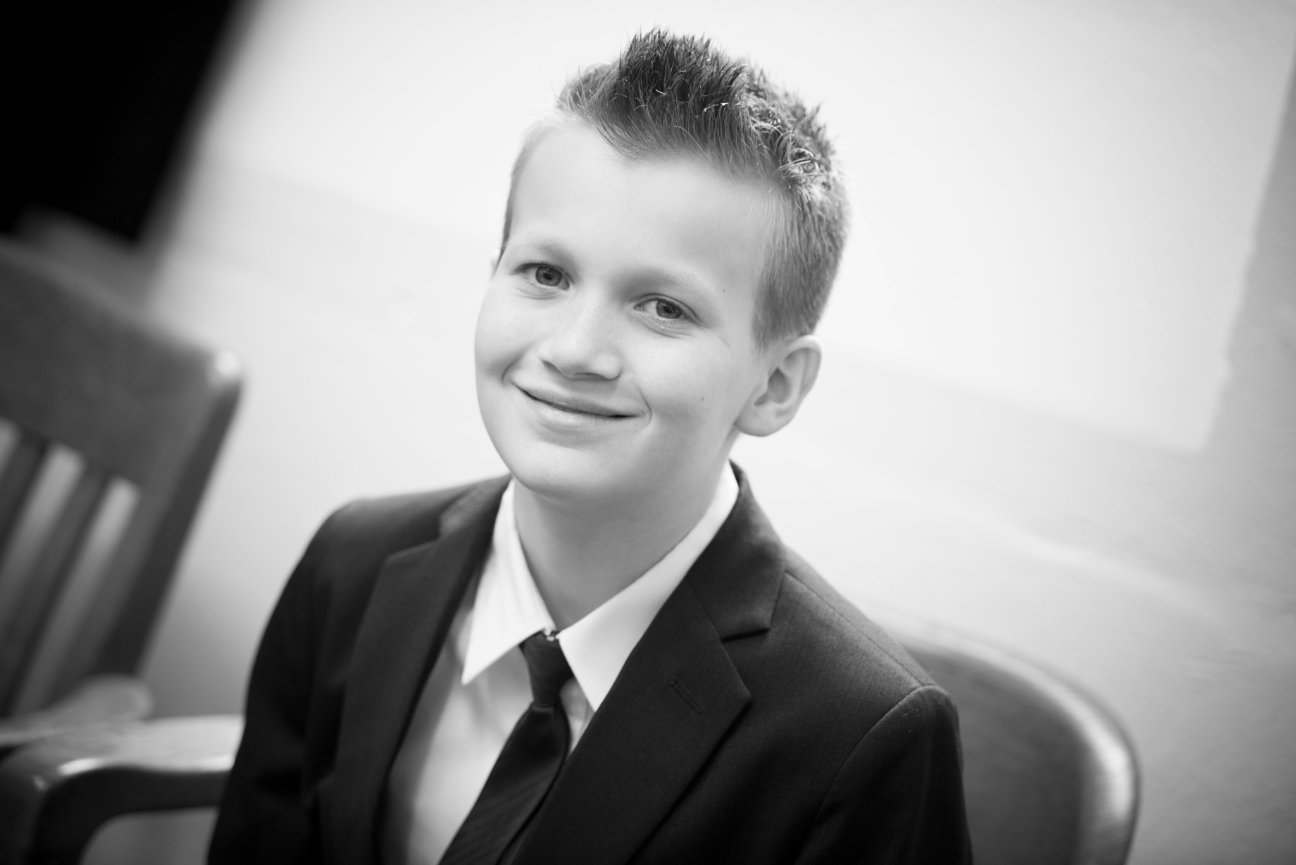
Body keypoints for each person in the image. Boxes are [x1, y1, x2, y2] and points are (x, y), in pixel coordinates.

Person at [210, 29, 972, 865]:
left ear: (774, 386)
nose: (575, 350)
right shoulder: (350, 565)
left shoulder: (864, 737)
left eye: (664, 308)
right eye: (546, 274)